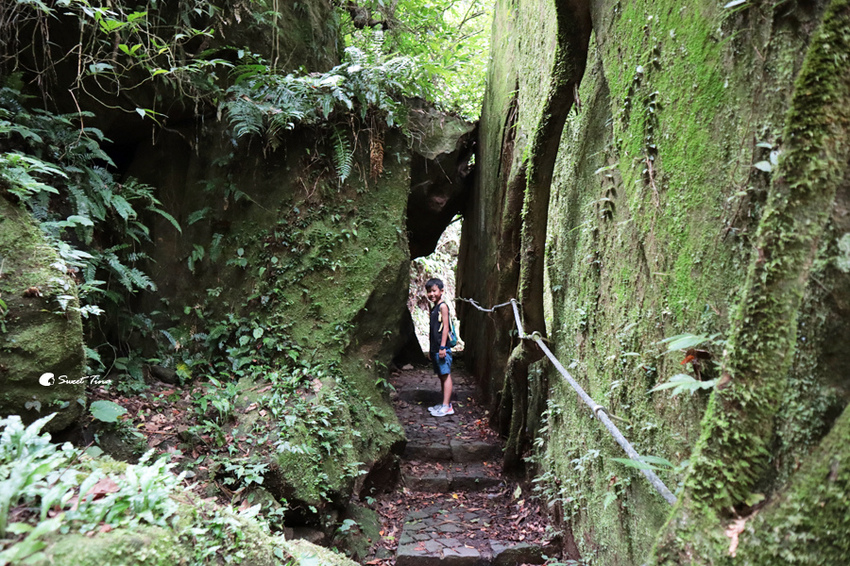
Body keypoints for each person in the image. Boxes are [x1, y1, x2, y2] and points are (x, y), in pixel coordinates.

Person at [425, 278, 454, 417]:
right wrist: (432, 349)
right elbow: (433, 330)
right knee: (441, 376)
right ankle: (444, 403)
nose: (431, 294)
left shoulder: (443, 307)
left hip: (442, 348)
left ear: (441, 291)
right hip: (436, 348)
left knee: (446, 375)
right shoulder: (434, 308)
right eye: (429, 291)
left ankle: (447, 406)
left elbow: (445, 328)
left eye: (434, 291)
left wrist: (442, 347)